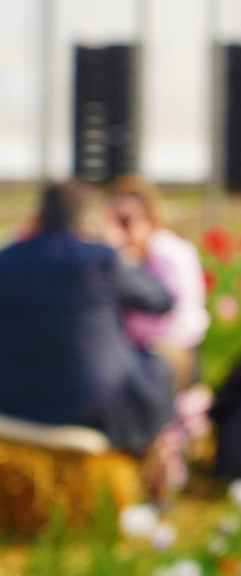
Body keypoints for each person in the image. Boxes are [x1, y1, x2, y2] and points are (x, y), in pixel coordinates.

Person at [0, 181, 174, 455]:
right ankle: (150, 469)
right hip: (90, 405)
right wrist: (118, 248)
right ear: (84, 218)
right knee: (159, 366)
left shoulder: (7, 259)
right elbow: (160, 300)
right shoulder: (100, 259)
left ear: (39, 214)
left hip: (12, 400)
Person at [104, 174, 209, 390]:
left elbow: (182, 314)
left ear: (149, 219)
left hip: (170, 351)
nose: (119, 231)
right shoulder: (124, 255)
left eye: (125, 221)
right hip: (135, 353)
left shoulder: (169, 252)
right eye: (113, 220)